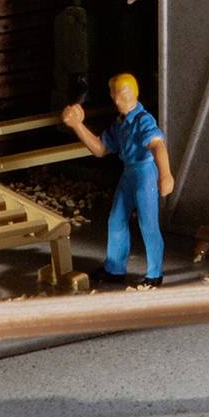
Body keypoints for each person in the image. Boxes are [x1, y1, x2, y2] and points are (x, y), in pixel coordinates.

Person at [61, 72, 172, 286]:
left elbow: (158, 145)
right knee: (116, 219)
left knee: (148, 223)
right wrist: (77, 125)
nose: (119, 99)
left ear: (135, 94)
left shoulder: (143, 120)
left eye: (124, 94)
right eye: (115, 95)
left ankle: (154, 273)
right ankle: (114, 268)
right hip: (129, 173)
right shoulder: (120, 123)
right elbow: (100, 149)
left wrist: (165, 174)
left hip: (145, 174)